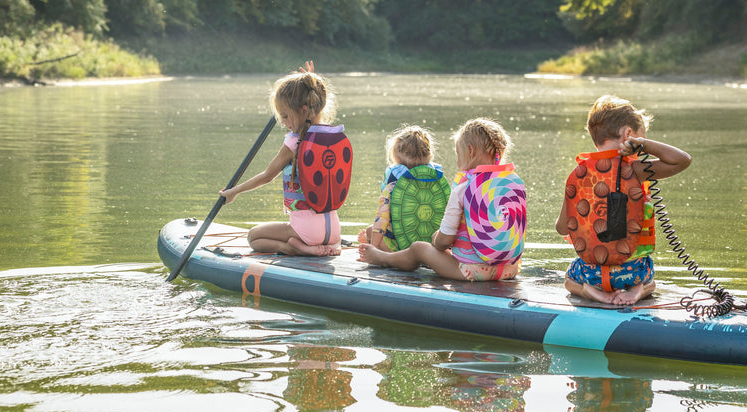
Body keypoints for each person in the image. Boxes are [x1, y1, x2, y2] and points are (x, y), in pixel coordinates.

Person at [556, 95, 691, 306]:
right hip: (633, 272)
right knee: (651, 279)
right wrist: (644, 146)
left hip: (593, 274)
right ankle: (639, 290)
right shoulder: (635, 170)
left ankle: (592, 292)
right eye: (640, 137)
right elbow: (682, 160)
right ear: (629, 135)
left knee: (569, 280)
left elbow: (562, 229)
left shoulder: (578, 175)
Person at [359, 118, 525, 281]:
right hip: (510, 269)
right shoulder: (512, 183)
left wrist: (435, 240)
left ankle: (381, 257)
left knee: (418, 248)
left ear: (471, 151)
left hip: (471, 271)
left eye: (458, 154)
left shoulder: (463, 187)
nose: (457, 159)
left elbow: (444, 240)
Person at [220, 61, 351, 256]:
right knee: (279, 231)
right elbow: (313, 99)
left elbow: (267, 176)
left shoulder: (295, 142)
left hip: (307, 232)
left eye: (285, 116)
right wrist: (308, 82)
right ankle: (317, 245)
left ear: (304, 109)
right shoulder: (329, 137)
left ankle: (294, 248)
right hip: (333, 229)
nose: (282, 122)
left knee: (254, 237)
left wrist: (234, 191)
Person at [359, 125, 450, 252]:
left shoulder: (393, 188)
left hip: (398, 248)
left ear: (396, 158)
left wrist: (373, 248)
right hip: (431, 246)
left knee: (370, 230)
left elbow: (382, 219)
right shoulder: (436, 182)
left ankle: (370, 243)